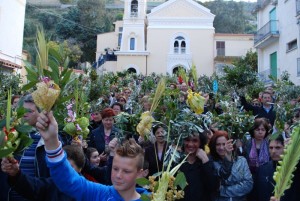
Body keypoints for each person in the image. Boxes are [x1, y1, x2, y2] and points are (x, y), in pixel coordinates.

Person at [35, 111, 148, 201]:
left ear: (140, 173)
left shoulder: (153, 198)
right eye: (115, 168)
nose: (118, 175)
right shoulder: (100, 193)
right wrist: (51, 140)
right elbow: (67, 180)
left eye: (126, 171)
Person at [1, 145, 86, 201]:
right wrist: (16, 173)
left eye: (70, 167)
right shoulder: (52, 184)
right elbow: (33, 186)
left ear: (80, 169)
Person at [253, 135, 300, 201]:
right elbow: (255, 195)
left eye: (278, 148)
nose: (273, 151)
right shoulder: (262, 170)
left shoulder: (294, 169)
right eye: (271, 148)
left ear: (285, 148)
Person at [209, 131, 253, 201]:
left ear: (231, 144)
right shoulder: (212, 163)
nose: (221, 147)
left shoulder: (241, 161)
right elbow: (215, 186)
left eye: (224, 144)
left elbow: (248, 185)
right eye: (218, 144)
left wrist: (223, 190)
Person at [178, 132, 218, 201]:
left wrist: (205, 162)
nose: (190, 144)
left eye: (195, 140)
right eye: (187, 140)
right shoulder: (177, 162)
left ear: (200, 143)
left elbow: (213, 186)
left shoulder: (206, 161)